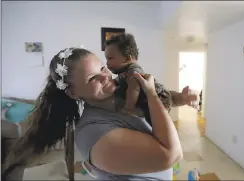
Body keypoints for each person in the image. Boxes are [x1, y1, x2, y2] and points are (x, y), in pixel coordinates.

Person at [2, 46, 197, 180]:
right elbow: (171, 155)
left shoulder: (120, 92)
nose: (106, 76)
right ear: (73, 92)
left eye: (103, 67)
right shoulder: (92, 132)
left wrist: (181, 98)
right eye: (93, 78)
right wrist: (152, 93)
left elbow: (152, 103)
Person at [104, 33, 172, 126]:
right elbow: (117, 82)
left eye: (110, 58)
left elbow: (134, 87)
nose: (107, 63)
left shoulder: (133, 70)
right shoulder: (123, 72)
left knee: (152, 122)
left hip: (160, 97)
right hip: (146, 99)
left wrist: (128, 108)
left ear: (127, 58)